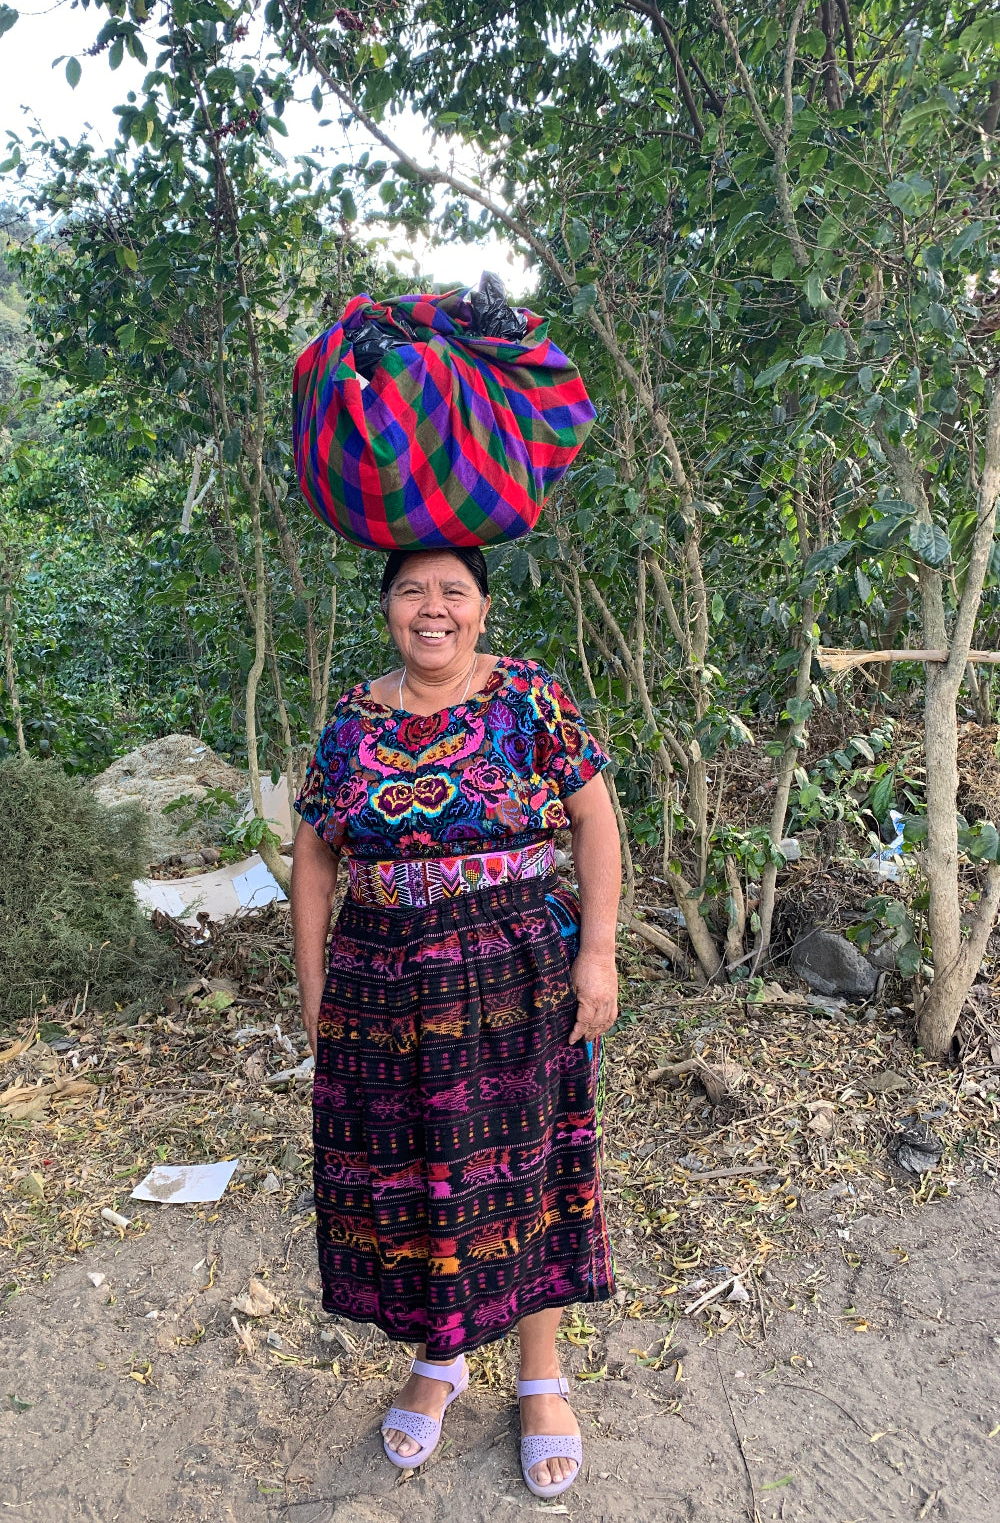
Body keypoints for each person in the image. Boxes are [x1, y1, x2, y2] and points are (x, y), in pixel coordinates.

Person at [290, 545, 620, 1500]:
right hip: (381, 977)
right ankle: (440, 1359)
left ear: (481, 607)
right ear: (388, 607)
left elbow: (596, 822)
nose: (432, 609)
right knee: (411, 1170)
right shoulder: (352, 722)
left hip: (515, 970)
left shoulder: (528, 697)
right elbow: (315, 858)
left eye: (453, 592)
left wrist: (596, 954)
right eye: (411, 592)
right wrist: (316, 990)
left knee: (527, 1165)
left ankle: (541, 1377)